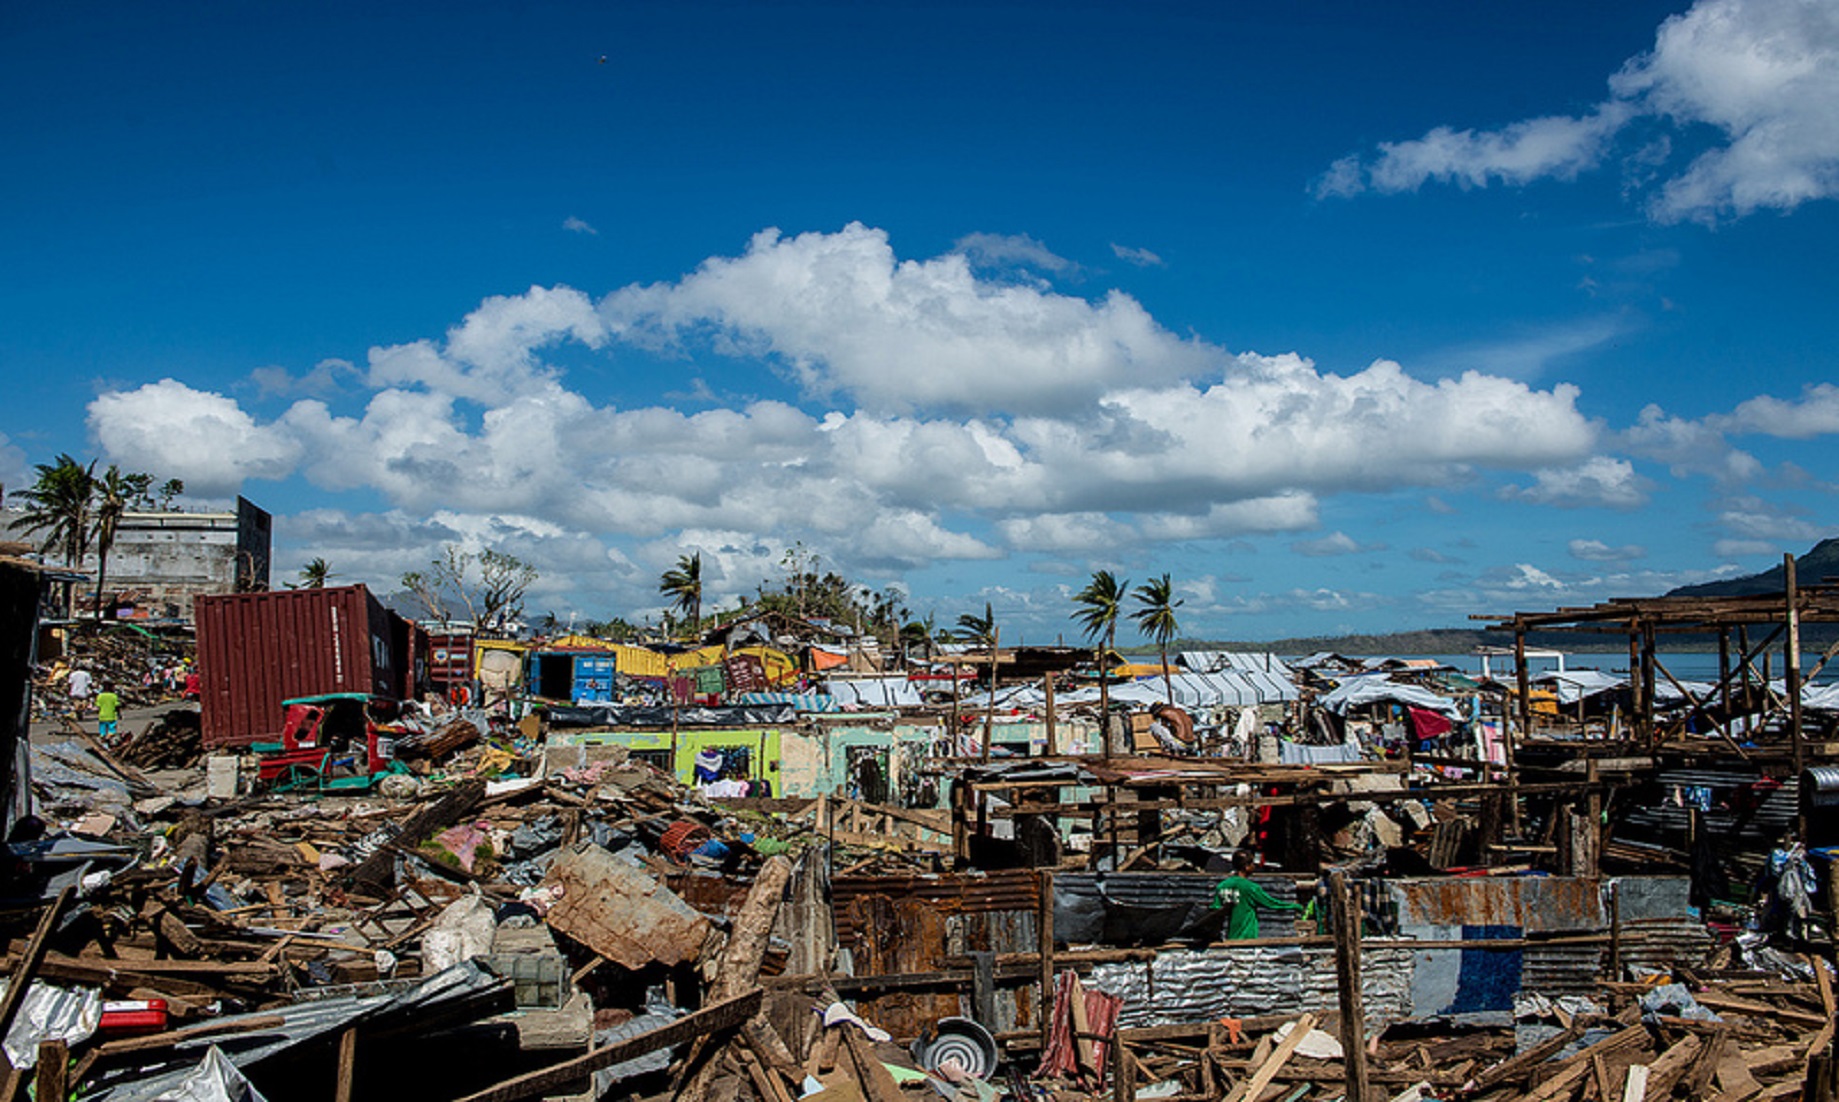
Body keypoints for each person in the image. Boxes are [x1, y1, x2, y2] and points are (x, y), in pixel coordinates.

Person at [1211, 850, 1305, 940]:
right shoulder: (1251, 888)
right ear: (1246, 866)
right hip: (1247, 937)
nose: (1254, 866)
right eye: (1252, 863)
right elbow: (1272, 903)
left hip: (1231, 937)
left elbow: (1215, 909)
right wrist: (1294, 906)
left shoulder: (1222, 886)